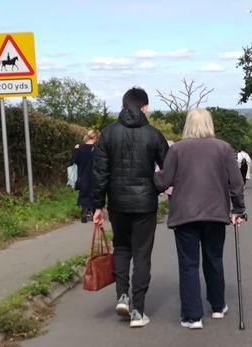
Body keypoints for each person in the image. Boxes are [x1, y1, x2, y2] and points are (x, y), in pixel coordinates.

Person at [154, 108, 246, 330]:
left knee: (189, 264)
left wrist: (148, 172)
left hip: (185, 214)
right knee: (213, 259)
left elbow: (163, 182)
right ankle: (217, 306)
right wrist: (238, 210)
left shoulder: (177, 149)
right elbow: (236, 183)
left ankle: (192, 316)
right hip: (215, 213)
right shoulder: (223, 148)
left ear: (188, 125)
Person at [91, 87, 169, 328]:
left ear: (124, 106)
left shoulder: (107, 133)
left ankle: (122, 297)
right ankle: (139, 311)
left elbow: (100, 173)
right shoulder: (154, 135)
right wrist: (155, 188)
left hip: (117, 203)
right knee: (142, 254)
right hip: (145, 204)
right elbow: (168, 170)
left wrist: (97, 206)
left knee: (122, 249)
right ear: (144, 107)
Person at [74, 130, 99, 223]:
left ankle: (84, 212)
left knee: (83, 193)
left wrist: (76, 150)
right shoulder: (98, 149)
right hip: (94, 175)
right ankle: (93, 213)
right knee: (94, 193)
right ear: (96, 138)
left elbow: (75, 161)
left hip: (82, 174)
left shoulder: (79, 148)